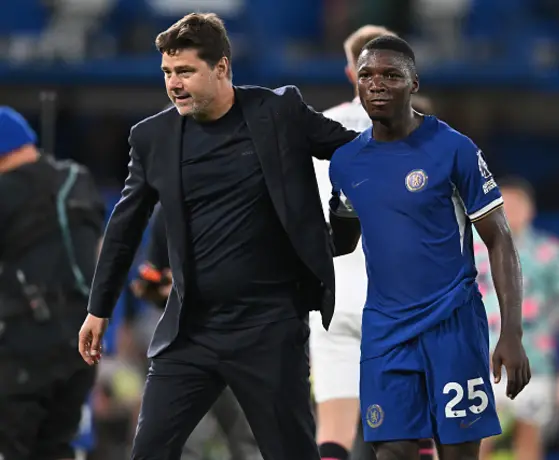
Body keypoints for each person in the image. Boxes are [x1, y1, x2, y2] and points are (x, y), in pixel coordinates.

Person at [77, 12, 360, 460]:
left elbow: (356, 153)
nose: (174, 83)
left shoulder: (278, 113)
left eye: (186, 71)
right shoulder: (152, 137)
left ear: (222, 68)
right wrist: (99, 309)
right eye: (168, 73)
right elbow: (124, 226)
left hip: (269, 328)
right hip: (191, 331)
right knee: (148, 452)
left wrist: (344, 218)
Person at [328, 36, 531, 460]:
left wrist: (511, 331)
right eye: (367, 75)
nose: (377, 84)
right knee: (392, 452)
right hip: (385, 331)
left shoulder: (453, 148)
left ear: (413, 82)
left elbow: (500, 238)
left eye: (390, 75)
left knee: (457, 454)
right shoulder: (346, 162)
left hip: (452, 325)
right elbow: (340, 242)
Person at [310, 25, 435, 460]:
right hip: (401, 296)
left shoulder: (316, 130)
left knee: (333, 427)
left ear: (349, 69)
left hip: (335, 294)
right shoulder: (425, 132)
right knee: (415, 427)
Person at [0, 107, 104, 460]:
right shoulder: (79, 179)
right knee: (57, 448)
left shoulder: (6, 190)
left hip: (24, 345)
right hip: (82, 347)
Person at [131, 205, 263, 460]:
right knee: (185, 443)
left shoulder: (249, 197)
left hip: (239, 334)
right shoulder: (168, 206)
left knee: (248, 440)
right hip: (186, 338)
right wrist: (159, 286)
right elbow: (153, 274)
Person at [473, 177, 559, 460]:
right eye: (503, 204)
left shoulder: (548, 252)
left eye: (516, 205)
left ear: (530, 210)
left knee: (529, 440)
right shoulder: (468, 248)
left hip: (533, 364)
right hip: (474, 363)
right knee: (470, 441)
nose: (509, 211)